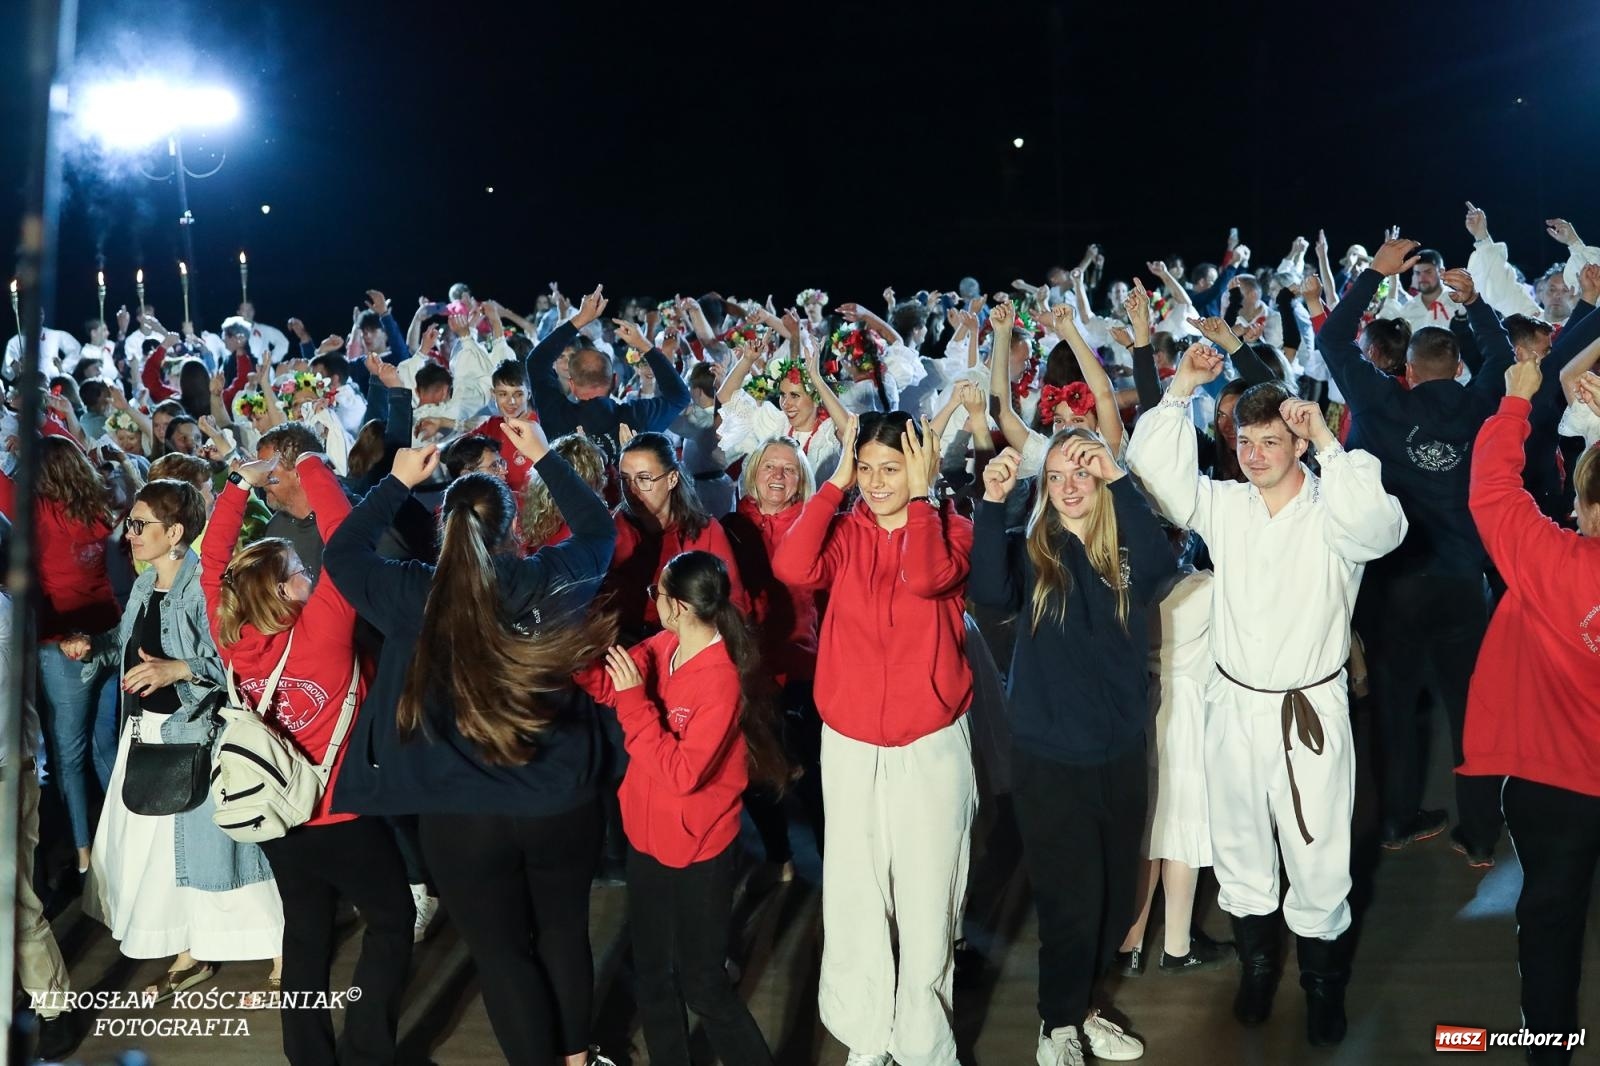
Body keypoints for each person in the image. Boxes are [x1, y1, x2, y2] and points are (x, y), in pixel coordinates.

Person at [1126, 358, 1407, 1047]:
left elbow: (1383, 529)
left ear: (1300, 444)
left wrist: (1336, 446)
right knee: (1243, 849)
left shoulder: (1334, 510)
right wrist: (1183, 388)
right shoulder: (1225, 507)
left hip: (1309, 712)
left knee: (1318, 854)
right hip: (1236, 708)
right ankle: (1257, 967)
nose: (1253, 457)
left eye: (1270, 442)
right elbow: (1154, 473)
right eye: (1244, 444)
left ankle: (1321, 986)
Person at [323, 420, 620, 1066]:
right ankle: (576, 1058)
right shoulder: (550, 577)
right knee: (565, 933)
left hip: (461, 817)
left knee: (502, 954)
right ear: (512, 527)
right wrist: (543, 455)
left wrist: (396, 479)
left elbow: (341, 556)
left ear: (442, 527)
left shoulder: (411, 593)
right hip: (558, 799)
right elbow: (601, 531)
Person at [772, 411, 976, 1066]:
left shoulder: (950, 529)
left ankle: (925, 1042)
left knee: (928, 895)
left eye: (892, 468)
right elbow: (791, 566)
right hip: (853, 741)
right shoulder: (844, 534)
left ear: (919, 465)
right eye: (869, 469)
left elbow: (928, 578)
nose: (878, 481)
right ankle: (868, 1031)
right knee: (857, 892)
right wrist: (834, 479)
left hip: (931, 743)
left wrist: (921, 499)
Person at [204, 452, 414, 1065]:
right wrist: (309, 465)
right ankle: (367, 1051)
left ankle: (310, 1058)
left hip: (276, 818)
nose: (308, 575)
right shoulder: (325, 626)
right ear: (279, 588)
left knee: (306, 933)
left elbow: (213, 563)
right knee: (392, 921)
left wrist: (240, 484)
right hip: (342, 813)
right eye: (298, 570)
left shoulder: (232, 637)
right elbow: (345, 531)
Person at [972, 430, 1173, 1064]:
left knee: (1116, 902)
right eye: (1058, 474)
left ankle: (1084, 1007)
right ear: (1044, 488)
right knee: (1071, 901)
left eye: (1082, 472)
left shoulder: (1128, 550)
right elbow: (989, 594)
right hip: (1050, 756)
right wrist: (992, 504)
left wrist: (1118, 477)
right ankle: (1057, 1025)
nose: (1070, 484)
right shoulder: (1033, 550)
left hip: (1117, 748)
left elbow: (1165, 571)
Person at [1311, 240, 1512, 861]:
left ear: (1410, 369)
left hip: (1394, 584)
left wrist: (1374, 274)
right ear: (1455, 369)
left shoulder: (1383, 403)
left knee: (1395, 707)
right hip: (1460, 579)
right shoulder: (1481, 406)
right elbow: (1502, 357)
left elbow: (1332, 344)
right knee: (1469, 709)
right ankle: (1478, 836)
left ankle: (1397, 818)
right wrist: (1474, 304)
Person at [64, 480, 283, 1000]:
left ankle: (281, 952)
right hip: (149, 736)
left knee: (229, 853)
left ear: (176, 532)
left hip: (197, 739)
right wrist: (93, 645)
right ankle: (191, 953)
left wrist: (179, 669)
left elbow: (232, 659)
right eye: (130, 523)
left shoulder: (203, 586)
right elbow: (127, 640)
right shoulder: (145, 584)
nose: (130, 534)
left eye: (141, 525)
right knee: (166, 861)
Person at [578, 551, 783, 1066]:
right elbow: (612, 684)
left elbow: (681, 773)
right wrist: (575, 657)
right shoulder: (664, 644)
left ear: (680, 606)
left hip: (699, 852)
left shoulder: (721, 681)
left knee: (704, 986)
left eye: (657, 595)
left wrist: (632, 701)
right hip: (648, 840)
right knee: (651, 974)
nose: (653, 602)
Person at [1457, 359, 1600, 1066]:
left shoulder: (1551, 561)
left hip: (1555, 786)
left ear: (1586, 507)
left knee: (1550, 921)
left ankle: (1548, 1051)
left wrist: (1516, 404)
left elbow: (1491, 492)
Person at [0, 436, 121, 877]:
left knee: (68, 757)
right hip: (109, 636)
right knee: (106, 745)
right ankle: (126, 837)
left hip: (66, 647)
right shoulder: (98, 506)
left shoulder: (35, 511)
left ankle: (85, 851)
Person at [721, 437, 826, 869]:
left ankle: (834, 866)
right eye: (769, 467)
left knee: (813, 776)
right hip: (747, 667)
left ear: (802, 479)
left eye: (789, 468)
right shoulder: (729, 527)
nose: (778, 475)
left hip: (802, 664)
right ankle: (777, 856)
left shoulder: (815, 526)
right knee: (755, 770)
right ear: (753, 473)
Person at [607, 432, 747, 642]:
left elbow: (733, 603)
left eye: (644, 478)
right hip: (621, 647)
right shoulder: (611, 529)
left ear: (672, 478)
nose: (632, 490)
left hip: (686, 646)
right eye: (625, 480)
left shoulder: (704, 531)